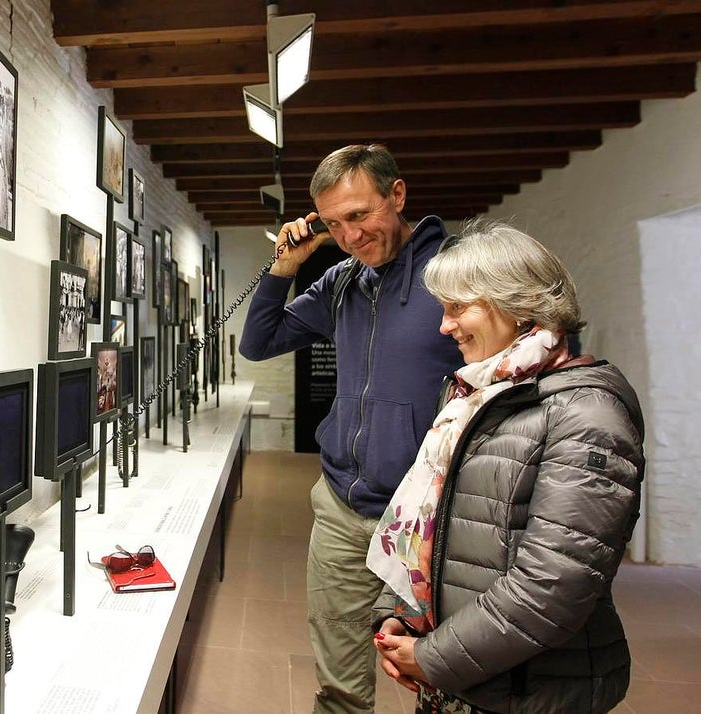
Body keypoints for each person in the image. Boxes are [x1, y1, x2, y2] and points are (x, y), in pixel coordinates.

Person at [368, 220, 644, 713]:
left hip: (529, 693)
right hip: (462, 678)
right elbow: (435, 527)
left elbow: (552, 587)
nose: (444, 326)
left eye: (458, 308)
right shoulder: (473, 397)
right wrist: (405, 614)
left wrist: (433, 657)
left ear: (518, 305)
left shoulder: (586, 416)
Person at [238, 144, 465, 713]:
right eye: (334, 223)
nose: (350, 236)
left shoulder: (459, 272)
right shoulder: (343, 281)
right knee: (339, 680)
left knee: (446, 674)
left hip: (431, 516)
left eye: (360, 215)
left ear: (397, 194)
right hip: (342, 507)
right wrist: (285, 267)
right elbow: (259, 343)